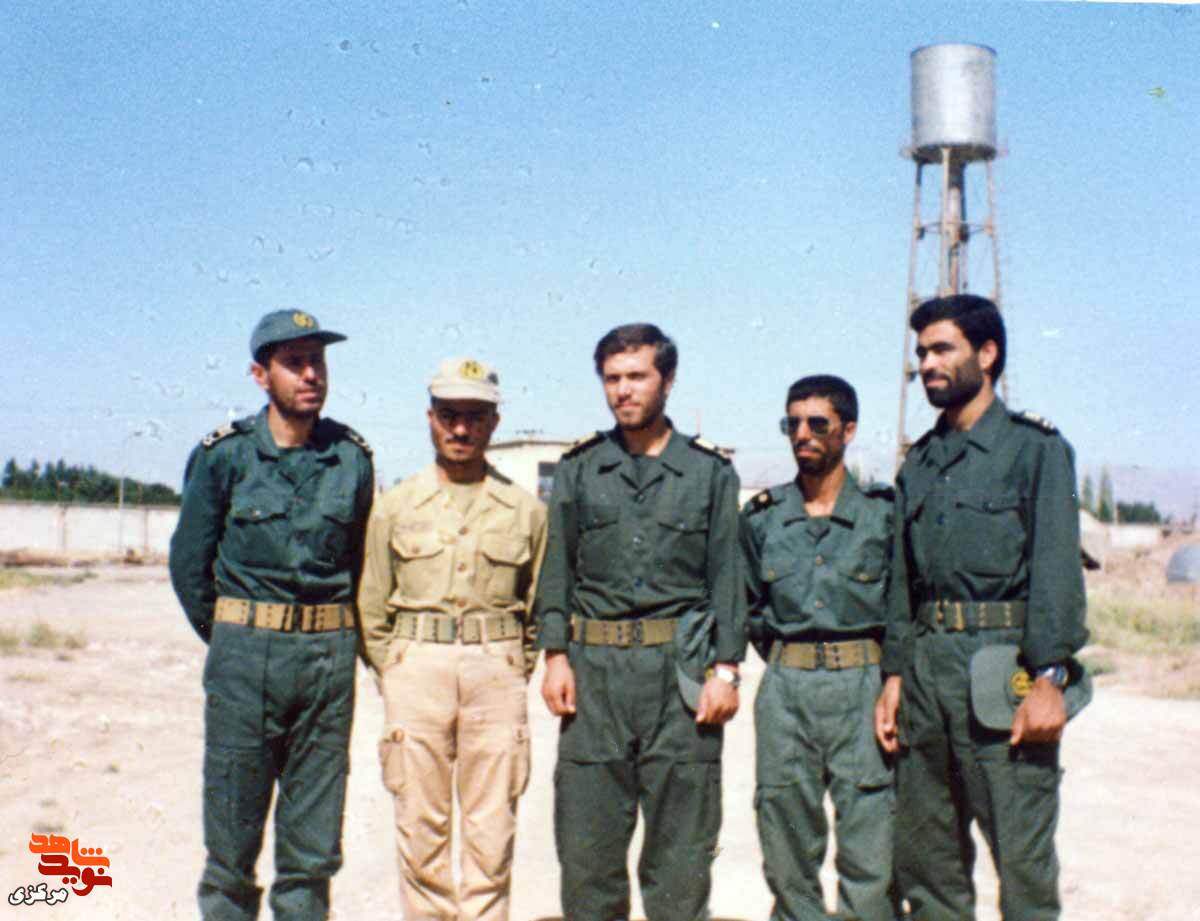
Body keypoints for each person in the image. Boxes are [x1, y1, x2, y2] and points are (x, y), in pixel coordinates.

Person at [874, 294, 1088, 920]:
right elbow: (903, 582)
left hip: (1003, 670)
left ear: (987, 354)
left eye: (942, 349)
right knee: (929, 862)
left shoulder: (1035, 450)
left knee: (1022, 864)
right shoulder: (920, 461)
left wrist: (1049, 678)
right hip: (926, 675)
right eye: (921, 353)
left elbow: (1056, 570)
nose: (926, 365)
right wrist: (894, 676)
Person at [535, 322, 746, 921]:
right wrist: (555, 656)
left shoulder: (708, 474)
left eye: (636, 376)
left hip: (678, 680)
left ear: (667, 381)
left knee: (680, 862)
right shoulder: (580, 469)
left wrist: (726, 671)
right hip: (595, 678)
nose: (623, 390)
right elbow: (558, 571)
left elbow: (727, 580)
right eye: (612, 378)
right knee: (588, 857)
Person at [169, 310, 375, 920]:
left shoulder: (351, 458)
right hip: (245, 660)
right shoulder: (225, 456)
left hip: (326, 664)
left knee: (313, 850)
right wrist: (235, 633)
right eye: (295, 363)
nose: (312, 375)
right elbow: (190, 565)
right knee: (231, 842)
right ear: (260, 375)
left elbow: (362, 562)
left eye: (318, 361)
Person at [357, 357, 547, 921]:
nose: (460, 429)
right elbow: (372, 603)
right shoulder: (395, 506)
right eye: (448, 415)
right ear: (430, 418)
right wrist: (397, 668)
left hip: (496, 670)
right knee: (421, 829)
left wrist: (509, 664)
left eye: (474, 416)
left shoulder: (526, 510)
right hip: (417, 669)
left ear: (494, 422)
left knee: (493, 833)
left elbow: (540, 606)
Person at [740, 375, 896, 921]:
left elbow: (903, 609)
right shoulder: (762, 518)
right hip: (787, 690)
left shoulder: (882, 515)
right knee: (785, 841)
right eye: (793, 423)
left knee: (871, 845)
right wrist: (794, 660)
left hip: (863, 687)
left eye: (817, 423)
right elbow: (750, 608)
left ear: (847, 431)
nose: (802, 434)